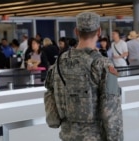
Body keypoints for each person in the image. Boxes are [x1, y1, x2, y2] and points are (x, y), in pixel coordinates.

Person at [44, 12, 123, 141]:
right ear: (99, 31)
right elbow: (112, 111)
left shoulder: (58, 62)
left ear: (76, 31)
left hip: (67, 136)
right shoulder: (104, 65)